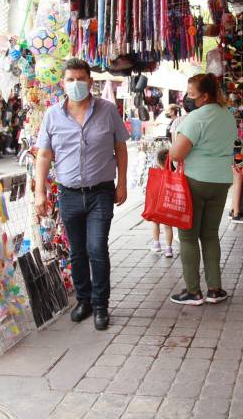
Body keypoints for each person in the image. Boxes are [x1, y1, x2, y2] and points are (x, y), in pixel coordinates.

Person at [35, 58, 129, 331]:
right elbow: (43, 155)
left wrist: (122, 183)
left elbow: (121, 148)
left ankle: (101, 305)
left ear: (90, 81)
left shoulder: (108, 111)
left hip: (101, 192)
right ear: (63, 83)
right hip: (69, 194)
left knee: (97, 248)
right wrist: (40, 192)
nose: (75, 84)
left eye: (80, 78)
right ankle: (84, 301)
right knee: (77, 252)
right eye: (70, 79)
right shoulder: (52, 115)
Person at [169, 74, 236, 305]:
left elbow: (176, 154)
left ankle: (193, 291)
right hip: (220, 181)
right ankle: (215, 289)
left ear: (204, 96)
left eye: (191, 94)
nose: (187, 98)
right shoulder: (228, 116)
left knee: (187, 237)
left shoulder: (196, 118)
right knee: (209, 235)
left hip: (194, 181)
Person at [150, 149, 174, 258]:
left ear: (159, 162)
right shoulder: (174, 175)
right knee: (168, 227)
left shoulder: (156, 175)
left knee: (155, 223)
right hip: (168, 205)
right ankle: (168, 249)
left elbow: (151, 191)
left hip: (157, 206)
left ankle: (156, 244)